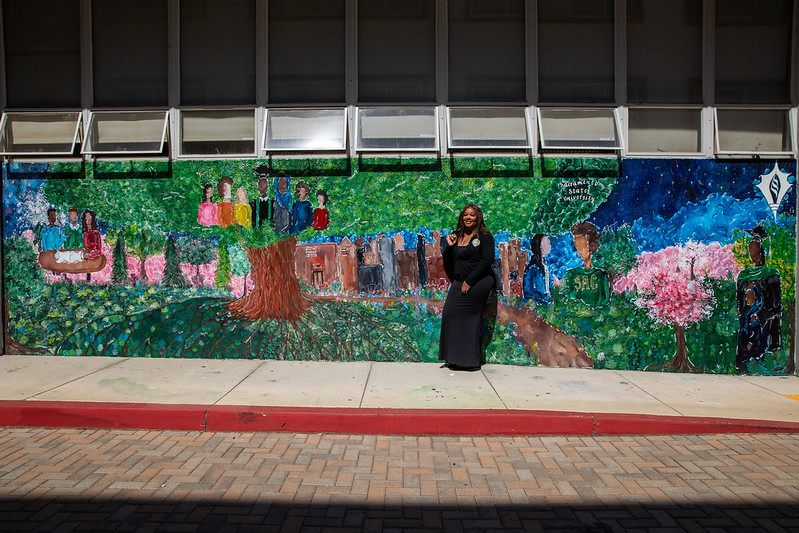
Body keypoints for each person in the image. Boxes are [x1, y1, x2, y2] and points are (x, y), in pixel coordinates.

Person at [438, 204, 496, 370]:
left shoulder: (485, 237)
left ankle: (468, 360)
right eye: (465, 215)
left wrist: (469, 281)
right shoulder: (457, 235)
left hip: (479, 282)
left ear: (478, 217)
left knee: (470, 317)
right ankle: (453, 357)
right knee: (449, 313)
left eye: (472, 215)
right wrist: (449, 246)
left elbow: (487, 260)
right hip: (460, 281)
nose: (468, 218)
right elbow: (449, 259)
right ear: (461, 218)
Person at [736, 224, 781, 371]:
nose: (751, 251)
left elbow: (776, 305)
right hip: (748, 322)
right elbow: (740, 303)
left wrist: (760, 316)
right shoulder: (744, 275)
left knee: (761, 350)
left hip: (764, 322)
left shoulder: (771, 274)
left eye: (754, 247)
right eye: (750, 247)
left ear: (762, 251)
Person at [564, 221, 610, 307]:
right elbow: (568, 301)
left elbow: (605, 301)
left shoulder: (601, 275)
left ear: (591, 245)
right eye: (577, 246)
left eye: (583, 246)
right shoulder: (571, 275)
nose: (580, 251)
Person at [522, 234, 553, 304]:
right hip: (537, 304)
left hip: (547, 302)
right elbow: (527, 289)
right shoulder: (532, 268)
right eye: (546, 244)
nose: (549, 246)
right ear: (538, 246)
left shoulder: (545, 266)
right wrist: (543, 298)